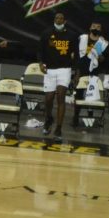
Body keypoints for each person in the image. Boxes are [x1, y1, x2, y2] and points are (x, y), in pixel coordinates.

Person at [39, 11, 76, 140]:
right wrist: (40, 63)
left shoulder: (71, 35)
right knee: (48, 98)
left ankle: (59, 128)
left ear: (65, 21)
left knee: (61, 96)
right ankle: (49, 118)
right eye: (56, 18)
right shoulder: (46, 33)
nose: (59, 20)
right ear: (54, 20)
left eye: (61, 18)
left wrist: (75, 70)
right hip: (50, 69)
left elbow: (75, 53)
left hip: (64, 69)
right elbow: (41, 50)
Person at [71, 21, 108, 128]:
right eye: (94, 26)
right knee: (78, 94)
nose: (95, 28)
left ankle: (90, 116)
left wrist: (99, 53)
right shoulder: (82, 38)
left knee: (92, 94)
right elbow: (77, 55)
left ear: (100, 30)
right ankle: (76, 117)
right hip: (81, 70)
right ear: (90, 27)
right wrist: (77, 72)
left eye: (98, 27)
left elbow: (102, 59)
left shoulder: (103, 43)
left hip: (94, 71)